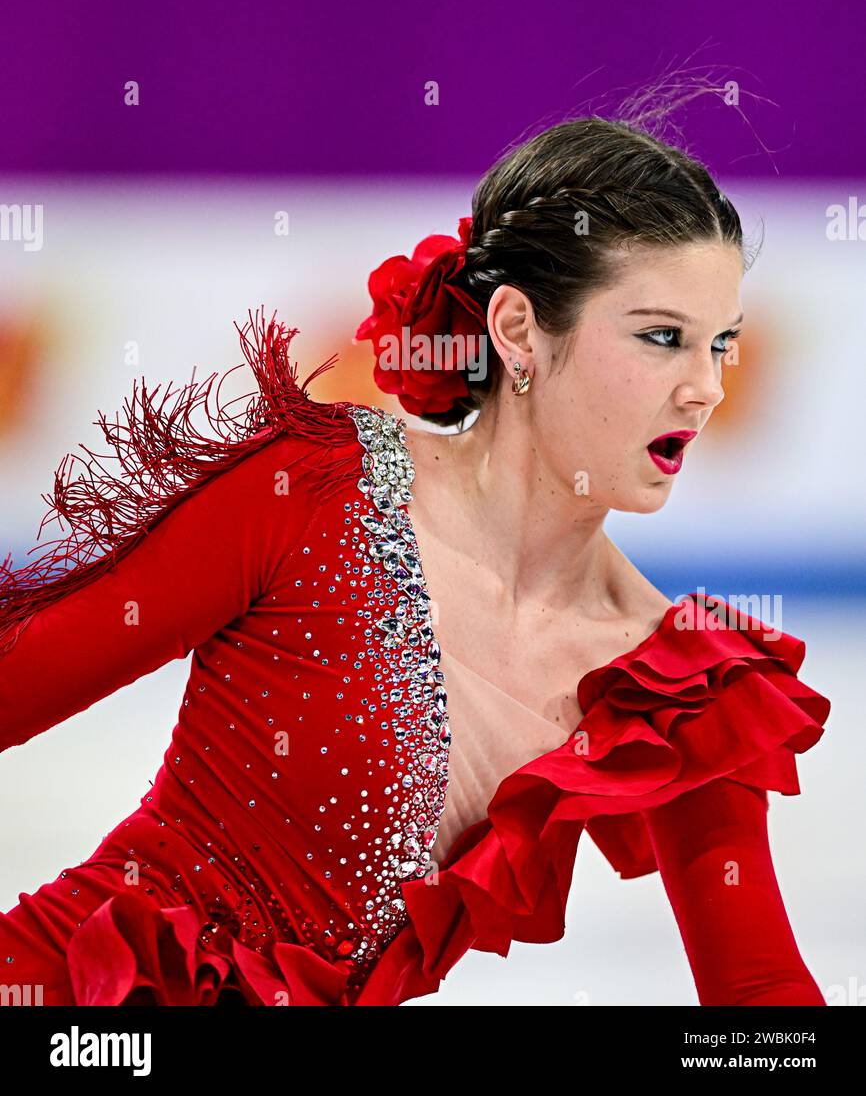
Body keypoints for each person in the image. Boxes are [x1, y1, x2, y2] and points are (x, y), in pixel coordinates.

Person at [0, 116, 830, 1007]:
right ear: (516, 328)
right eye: (662, 337)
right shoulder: (316, 493)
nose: (706, 386)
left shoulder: (674, 685)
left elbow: (760, 993)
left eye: (722, 344)